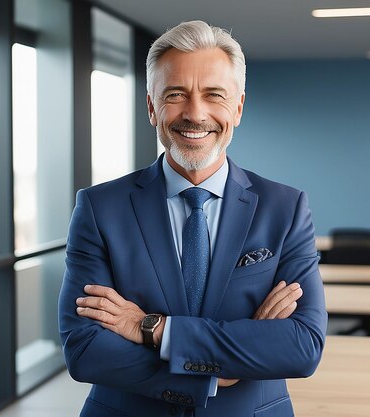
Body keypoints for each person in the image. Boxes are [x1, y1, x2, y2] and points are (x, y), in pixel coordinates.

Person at [58, 20, 327, 417]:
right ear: (152, 107)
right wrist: (212, 373)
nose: (195, 113)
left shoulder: (285, 208)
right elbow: (85, 349)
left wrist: (154, 328)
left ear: (237, 107)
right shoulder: (100, 208)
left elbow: (302, 346)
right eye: (176, 94)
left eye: (214, 95)